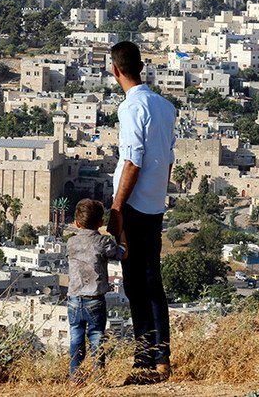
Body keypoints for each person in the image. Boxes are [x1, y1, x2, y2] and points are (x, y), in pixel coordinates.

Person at [106, 41, 177, 384]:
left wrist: (117, 209)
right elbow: (168, 161)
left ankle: (146, 360)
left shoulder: (131, 108)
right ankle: (159, 357)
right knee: (152, 281)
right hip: (154, 204)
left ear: (115, 69)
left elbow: (132, 161)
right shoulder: (165, 107)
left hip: (133, 205)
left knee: (136, 284)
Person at [66, 199, 127, 380]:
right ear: (100, 223)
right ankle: (98, 377)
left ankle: (74, 377)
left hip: (74, 298)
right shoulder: (103, 242)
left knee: (76, 338)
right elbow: (122, 254)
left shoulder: (71, 243)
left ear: (77, 223)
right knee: (96, 338)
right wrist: (122, 235)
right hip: (95, 299)